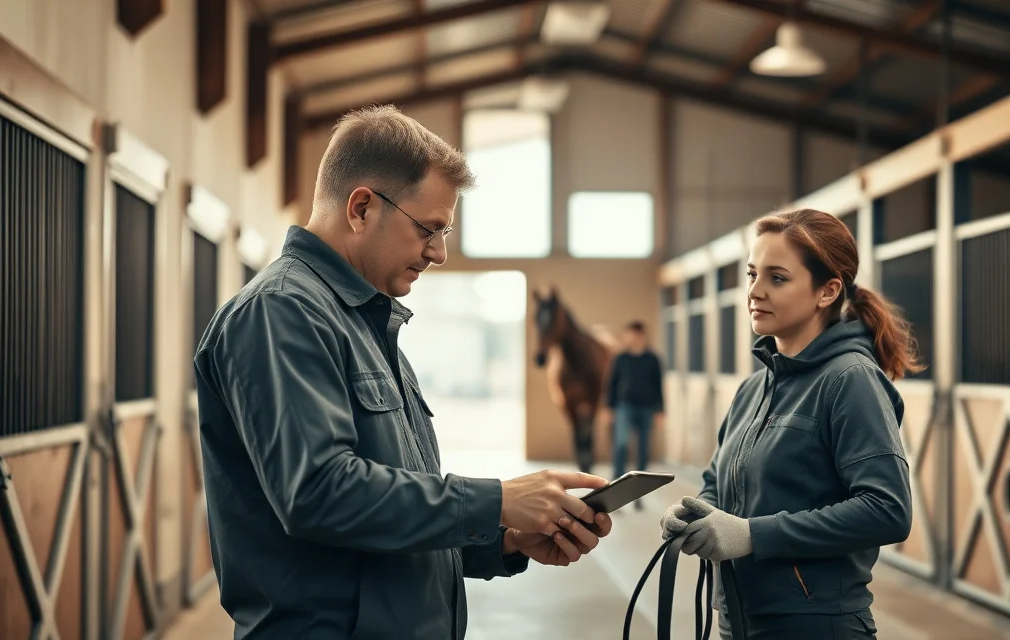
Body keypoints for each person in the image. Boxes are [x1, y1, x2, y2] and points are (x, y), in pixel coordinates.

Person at [192, 105, 613, 640]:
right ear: (362, 207)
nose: (438, 253)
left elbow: (383, 514)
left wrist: (499, 538)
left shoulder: (362, 322)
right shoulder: (282, 314)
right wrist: (497, 499)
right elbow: (319, 493)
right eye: (429, 229)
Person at [659, 208, 916, 639]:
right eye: (752, 274)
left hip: (815, 628)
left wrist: (752, 535)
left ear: (827, 291)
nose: (755, 292)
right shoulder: (753, 388)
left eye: (777, 278)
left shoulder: (850, 380)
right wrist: (694, 514)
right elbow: (717, 483)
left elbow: (888, 509)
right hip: (739, 624)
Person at [605, 321, 665, 488]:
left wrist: (660, 410)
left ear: (641, 336)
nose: (630, 338)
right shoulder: (621, 358)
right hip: (625, 406)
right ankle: (617, 481)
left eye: (633, 335)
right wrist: (609, 408)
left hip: (647, 408)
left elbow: (658, 385)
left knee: (644, 447)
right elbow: (612, 383)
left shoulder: (653, 359)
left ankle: (639, 485)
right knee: (621, 443)